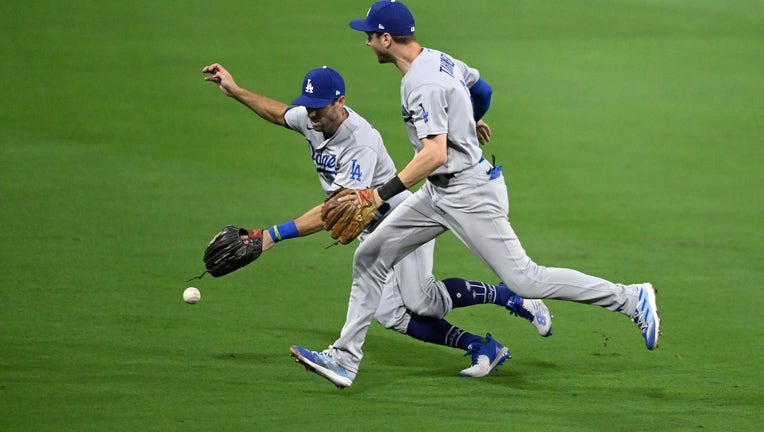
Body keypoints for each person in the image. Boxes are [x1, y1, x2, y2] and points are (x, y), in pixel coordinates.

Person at [290, 0, 661, 389]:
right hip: (438, 194)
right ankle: (345, 360)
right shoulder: (438, 59)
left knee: (527, 280)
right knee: (371, 255)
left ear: (387, 39)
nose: (365, 42)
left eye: (369, 35)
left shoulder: (421, 83)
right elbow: (481, 89)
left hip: (469, 193)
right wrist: (468, 120)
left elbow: (433, 154)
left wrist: (377, 196)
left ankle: (630, 298)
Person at [201, 63, 554, 388]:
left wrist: (272, 235)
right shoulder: (313, 118)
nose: (311, 113)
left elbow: (336, 212)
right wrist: (235, 90)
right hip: (371, 229)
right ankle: (482, 345)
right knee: (391, 315)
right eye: (308, 105)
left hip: (403, 222)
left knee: (422, 301)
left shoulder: (359, 142)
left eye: (319, 106)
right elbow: (279, 113)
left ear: (340, 102)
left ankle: (509, 295)